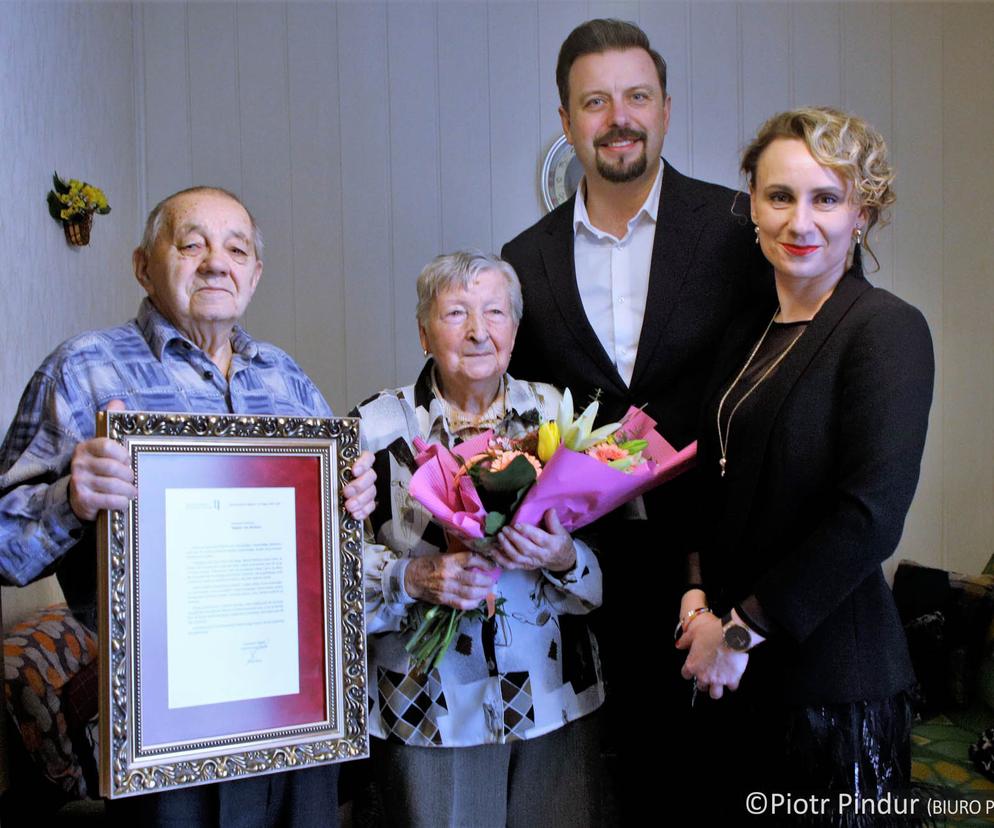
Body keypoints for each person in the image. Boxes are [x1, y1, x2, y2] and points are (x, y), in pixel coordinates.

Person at [0, 186, 377, 826]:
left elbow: (324, 547)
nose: (215, 262)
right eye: (191, 242)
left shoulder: (287, 379)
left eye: (236, 248)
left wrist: (349, 501)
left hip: (295, 713)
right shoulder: (83, 370)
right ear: (144, 264)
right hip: (161, 729)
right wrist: (71, 498)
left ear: (254, 274)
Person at [500, 18, 769, 814]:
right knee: (603, 789)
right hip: (583, 576)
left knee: (716, 788)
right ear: (566, 121)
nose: (618, 116)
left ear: (666, 109)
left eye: (637, 96)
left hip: (721, 566)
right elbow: (498, 398)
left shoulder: (740, 228)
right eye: (595, 101)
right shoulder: (524, 258)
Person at [676, 108, 934, 819]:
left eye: (827, 198)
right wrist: (696, 599)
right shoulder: (745, 334)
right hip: (729, 672)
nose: (801, 220)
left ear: (863, 212)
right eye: (780, 196)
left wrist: (737, 633)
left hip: (831, 689)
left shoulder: (885, 330)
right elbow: (710, 482)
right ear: (753, 206)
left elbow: (869, 517)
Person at [351, 251, 604, 827]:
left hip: (552, 696)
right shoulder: (373, 428)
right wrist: (412, 577)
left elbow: (609, 571)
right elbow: (328, 571)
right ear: (423, 333)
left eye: (494, 312)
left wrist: (564, 557)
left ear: (514, 331)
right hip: (426, 708)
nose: (477, 330)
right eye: (455, 313)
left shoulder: (558, 418)